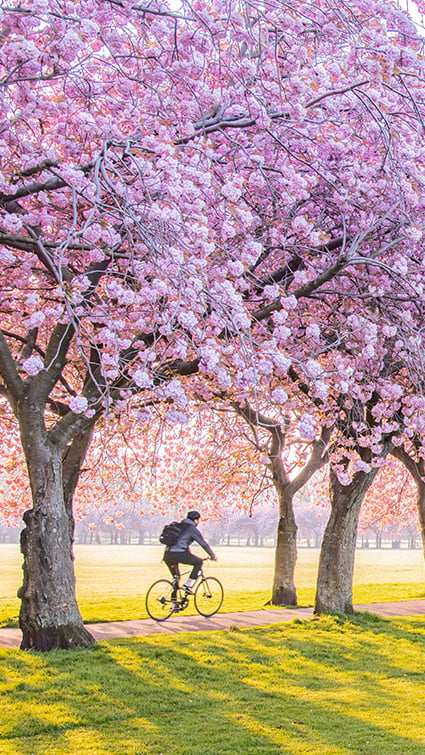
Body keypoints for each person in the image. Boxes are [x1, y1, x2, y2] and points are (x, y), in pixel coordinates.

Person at [163, 510, 217, 594]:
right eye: (198, 520)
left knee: (176, 578)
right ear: (195, 520)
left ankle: (174, 604)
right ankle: (187, 585)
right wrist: (213, 556)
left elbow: (181, 543)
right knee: (198, 562)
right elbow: (203, 544)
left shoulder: (179, 526)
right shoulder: (192, 529)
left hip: (167, 555)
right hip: (179, 554)